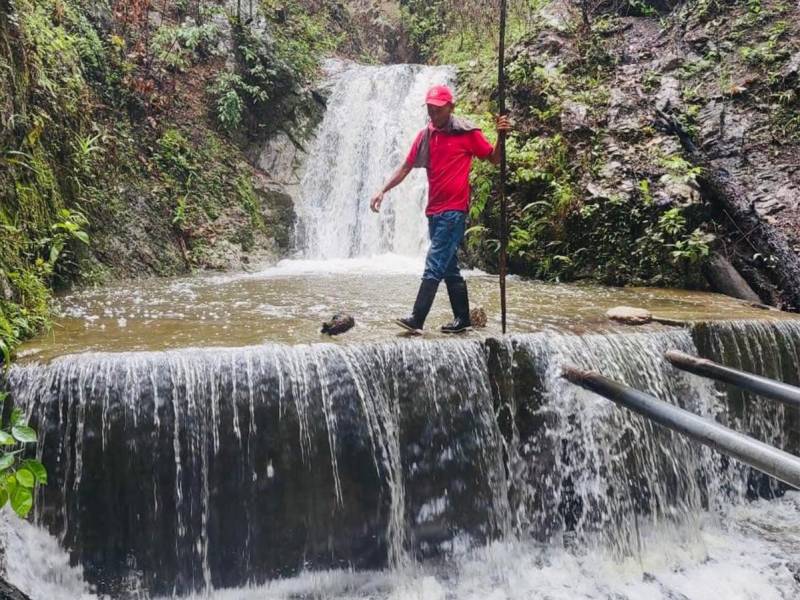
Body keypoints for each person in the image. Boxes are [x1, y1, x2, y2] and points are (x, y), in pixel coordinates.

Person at [369, 84, 511, 334]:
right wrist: (383, 189)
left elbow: (494, 158)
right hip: (434, 211)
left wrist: (501, 136)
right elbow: (405, 167)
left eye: (437, 109)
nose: (432, 113)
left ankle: (417, 318)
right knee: (448, 267)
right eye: (429, 109)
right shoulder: (426, 136)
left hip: (454, 211)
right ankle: (462, 319)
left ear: (450, 108)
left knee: (435, 262)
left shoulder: (467, 133)